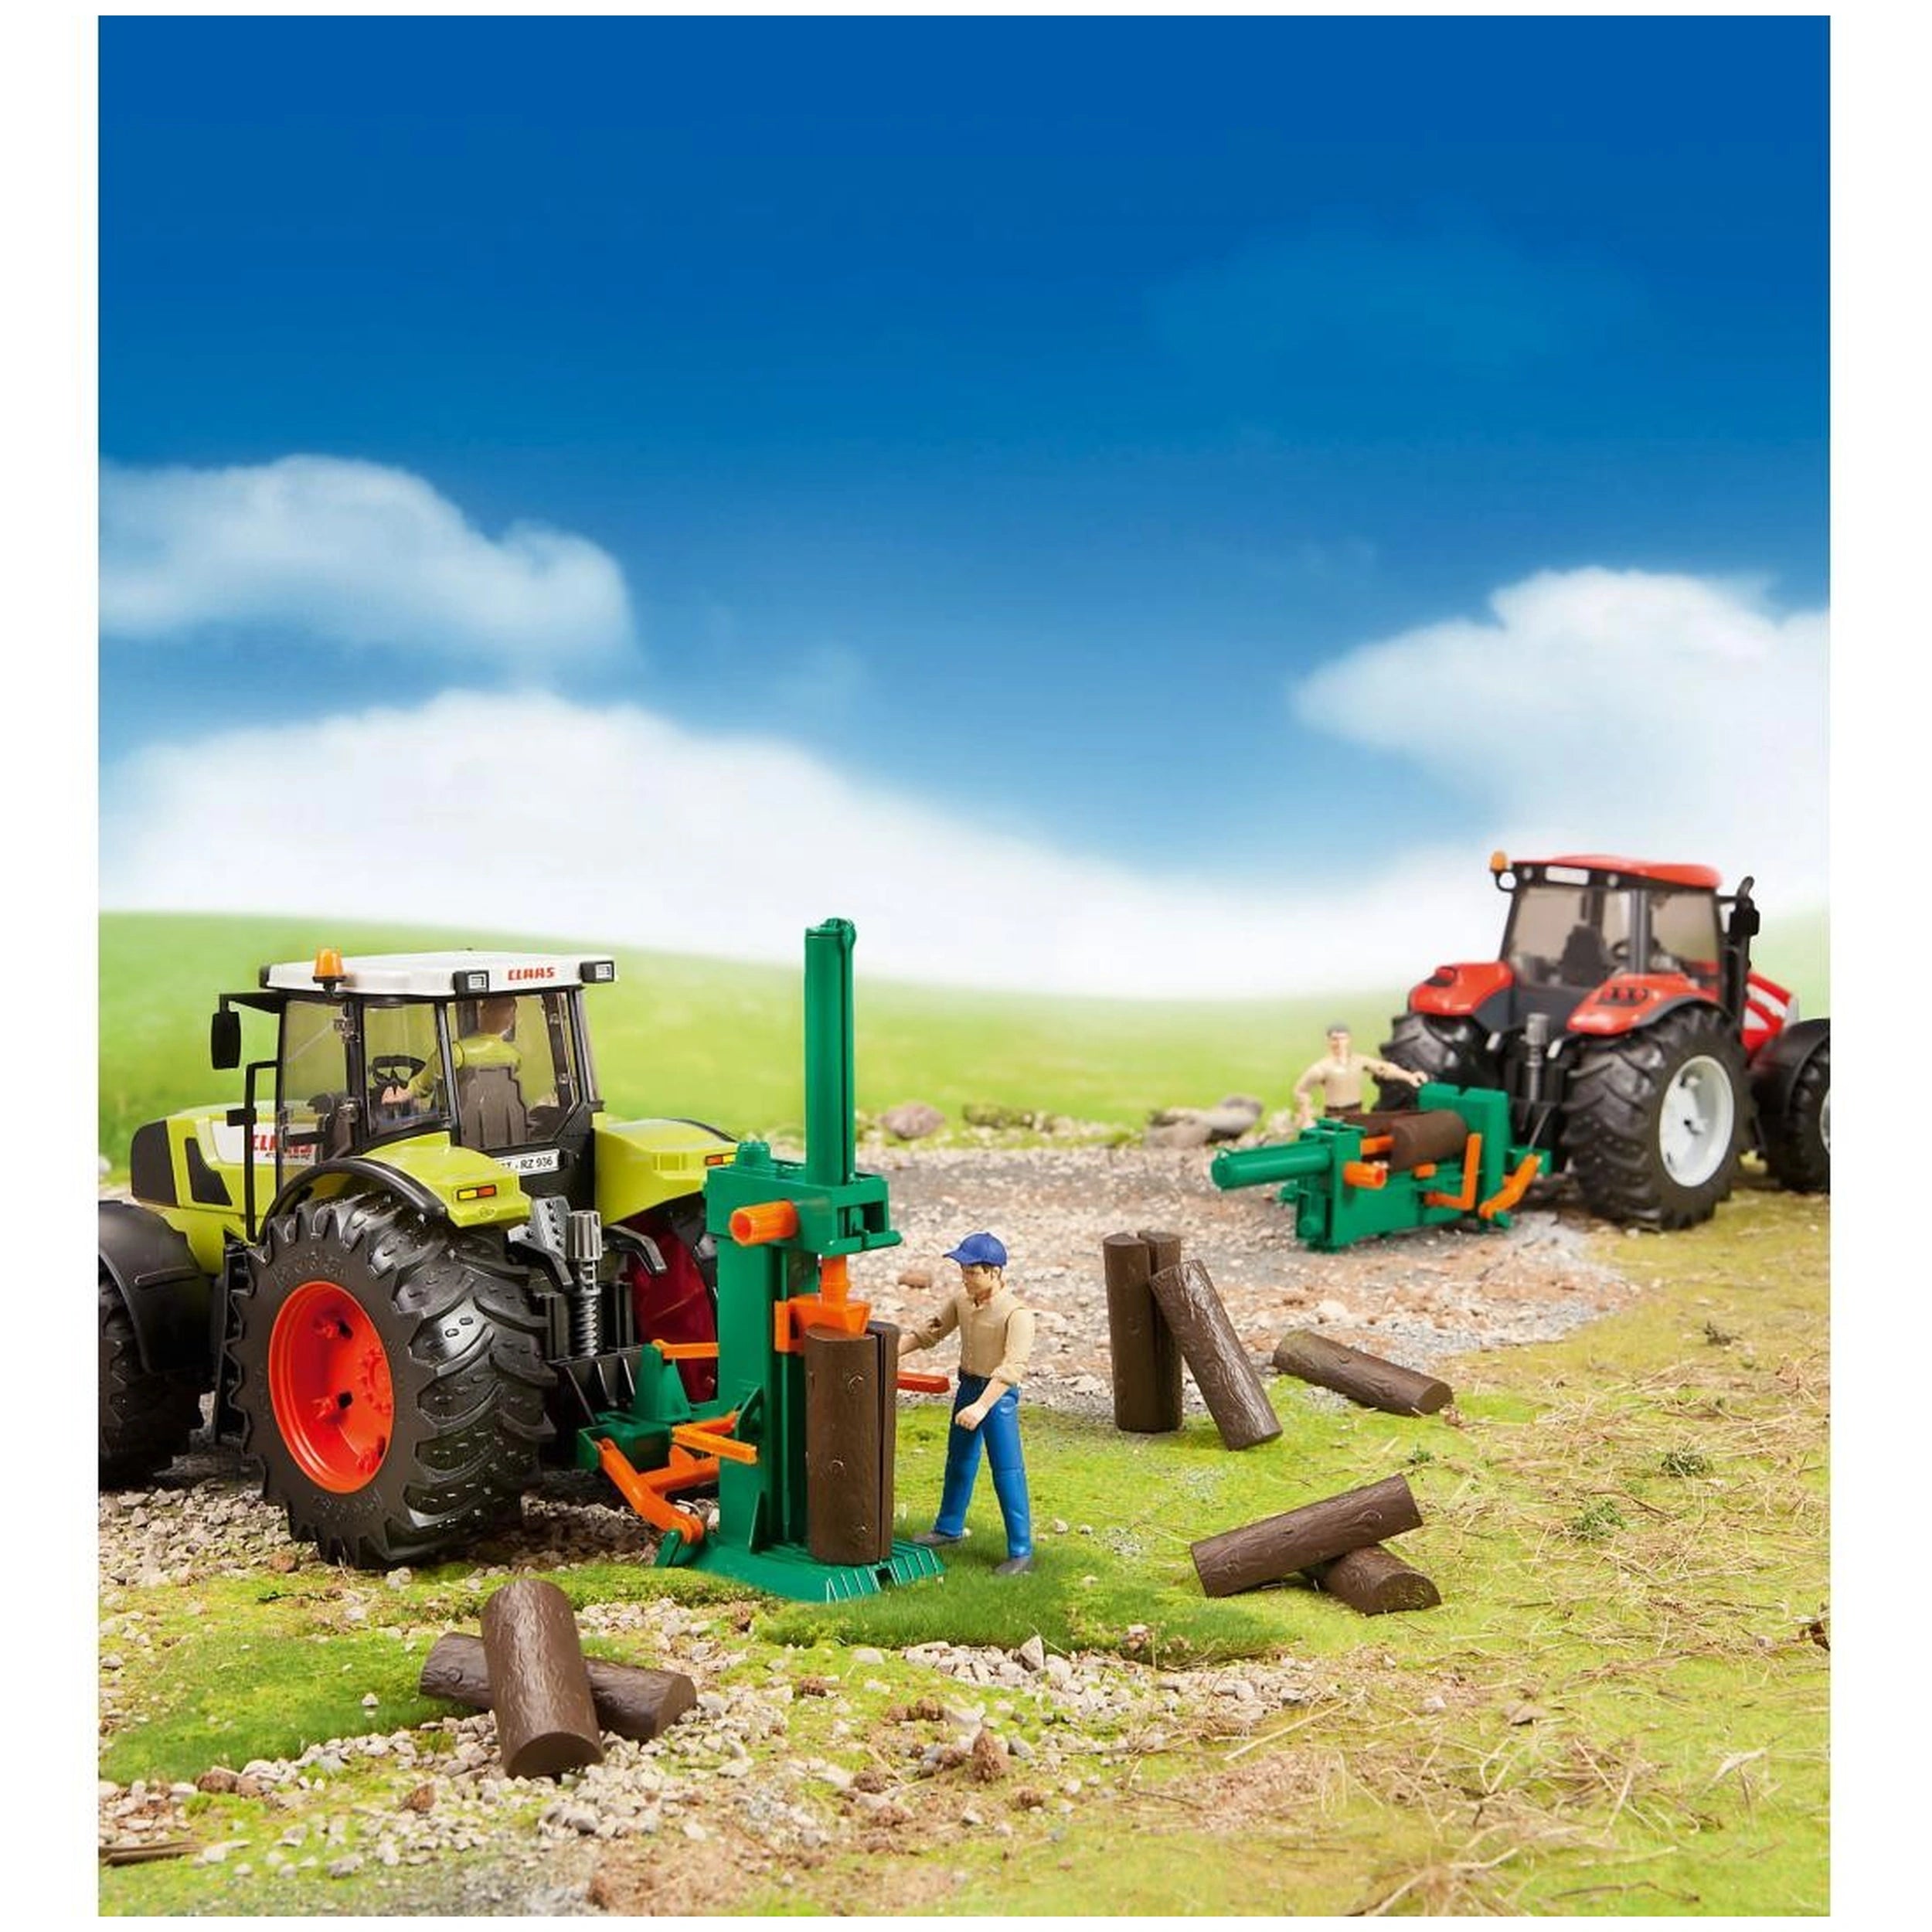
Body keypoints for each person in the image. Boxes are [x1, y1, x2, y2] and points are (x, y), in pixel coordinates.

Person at [898, 1231, 1036, 1576]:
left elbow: (1011, 1370)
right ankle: (948, 1527)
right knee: (958, 1461)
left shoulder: (1017, 1315)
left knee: (1007, 1472)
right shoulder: (962, 1300)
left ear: (995, 1272)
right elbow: (929, 1332)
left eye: (973, 1272)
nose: (966, 1278)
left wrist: (982, 1407)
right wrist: (886, 1355)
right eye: (963, 1270)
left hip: (997, 1398)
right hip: (967, 1386)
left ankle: (1021, 1549)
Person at [1293, 1023, 1423, 1129]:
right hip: (1333, 1118)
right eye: (1335, 1039)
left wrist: (1408, 1076)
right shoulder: (1322, 1068)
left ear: (1349, 1039)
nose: (1339, 1043)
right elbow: (1301, 1090)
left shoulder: (1359, 1061)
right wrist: (1306, 1117)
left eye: (1343, 1038)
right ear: (1328, 1041)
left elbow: (1384, 1070)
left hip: (1357, 1115)